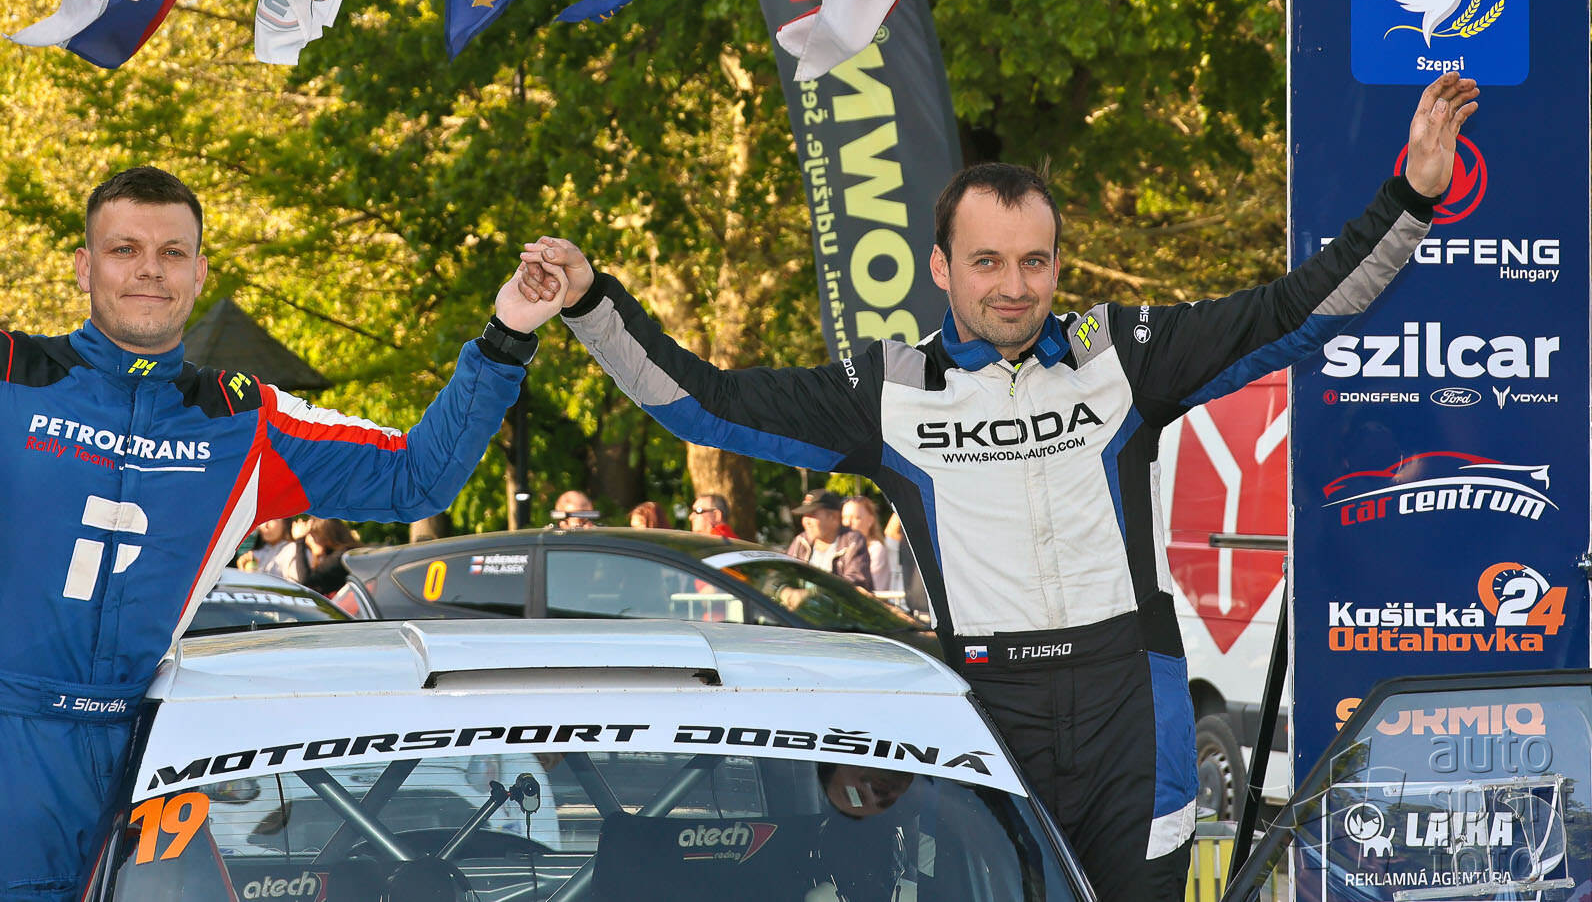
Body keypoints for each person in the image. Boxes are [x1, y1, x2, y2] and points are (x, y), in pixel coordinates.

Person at [519, 74, 1478, 902]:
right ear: (941, 267)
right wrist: (595, 302)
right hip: (991, 703)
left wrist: (1412, 194)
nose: (1014, 286)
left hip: (1131, 706)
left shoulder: (1121, 355)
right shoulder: (886, 391)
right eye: (987, 262)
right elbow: (706, 404)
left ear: (1057, 262)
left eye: (1034, 261)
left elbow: (1295, 310)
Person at [0, 119, 568, 902]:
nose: (150, 268)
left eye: (173, 252)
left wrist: (505, 337)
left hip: (145, 740)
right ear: (83, 266)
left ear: (200, 272)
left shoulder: (243, 420)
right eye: (124, 249)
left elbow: (417, 478)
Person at [784, 489, 872, 589]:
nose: (806, 521)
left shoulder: (853, 541)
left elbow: (855, 582)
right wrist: (784, 590)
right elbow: (783, 573)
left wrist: (811, 593)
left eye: (812, 514)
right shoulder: (801, 541)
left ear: (833, 517)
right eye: (805, 515)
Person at [840, 495, 894, 594]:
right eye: (844, 517)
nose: (848, 523)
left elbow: (869, 590)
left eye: (856, 518)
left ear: (870, 521)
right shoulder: (839, 548)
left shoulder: (876, 549)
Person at [300, 518, 359, 595]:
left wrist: (299, 540)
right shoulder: (345, 553)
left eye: (312, 535)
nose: (308, 540)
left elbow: (305, 580)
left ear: (325, 536)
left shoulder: (340, 557)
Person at [238, 517, 308, 582]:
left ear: (285, 523)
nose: (265, 525)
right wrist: (244, 572)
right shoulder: (255, 554)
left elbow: (298, 585)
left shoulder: (295, 550)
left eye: (271, 519)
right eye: (262, 520)